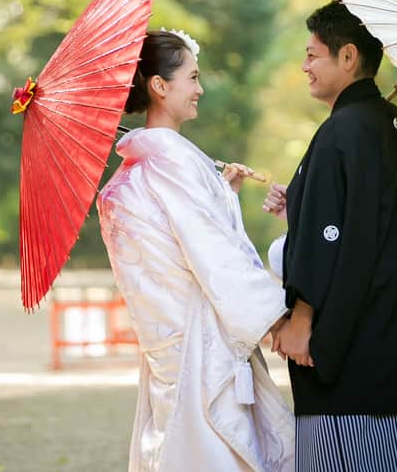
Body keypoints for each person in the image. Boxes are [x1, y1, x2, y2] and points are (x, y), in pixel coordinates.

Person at [97, 29, 295, 472]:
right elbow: (215, 257)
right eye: (192, 76)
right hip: (202, 349)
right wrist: (279, 318)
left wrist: (220, 195)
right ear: (159, 85)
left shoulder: (129, 176)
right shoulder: (174, 161)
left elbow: (177, 247)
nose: (200, 88)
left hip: (165, 345)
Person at [264, 0, 397, 471]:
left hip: (354, 341)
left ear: (348, 57)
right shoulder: (393, 124)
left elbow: (333, 240)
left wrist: (302, 317)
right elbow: (359, 221)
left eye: (312, 54)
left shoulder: (342, 131)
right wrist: (300, 204)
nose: (304, 66)